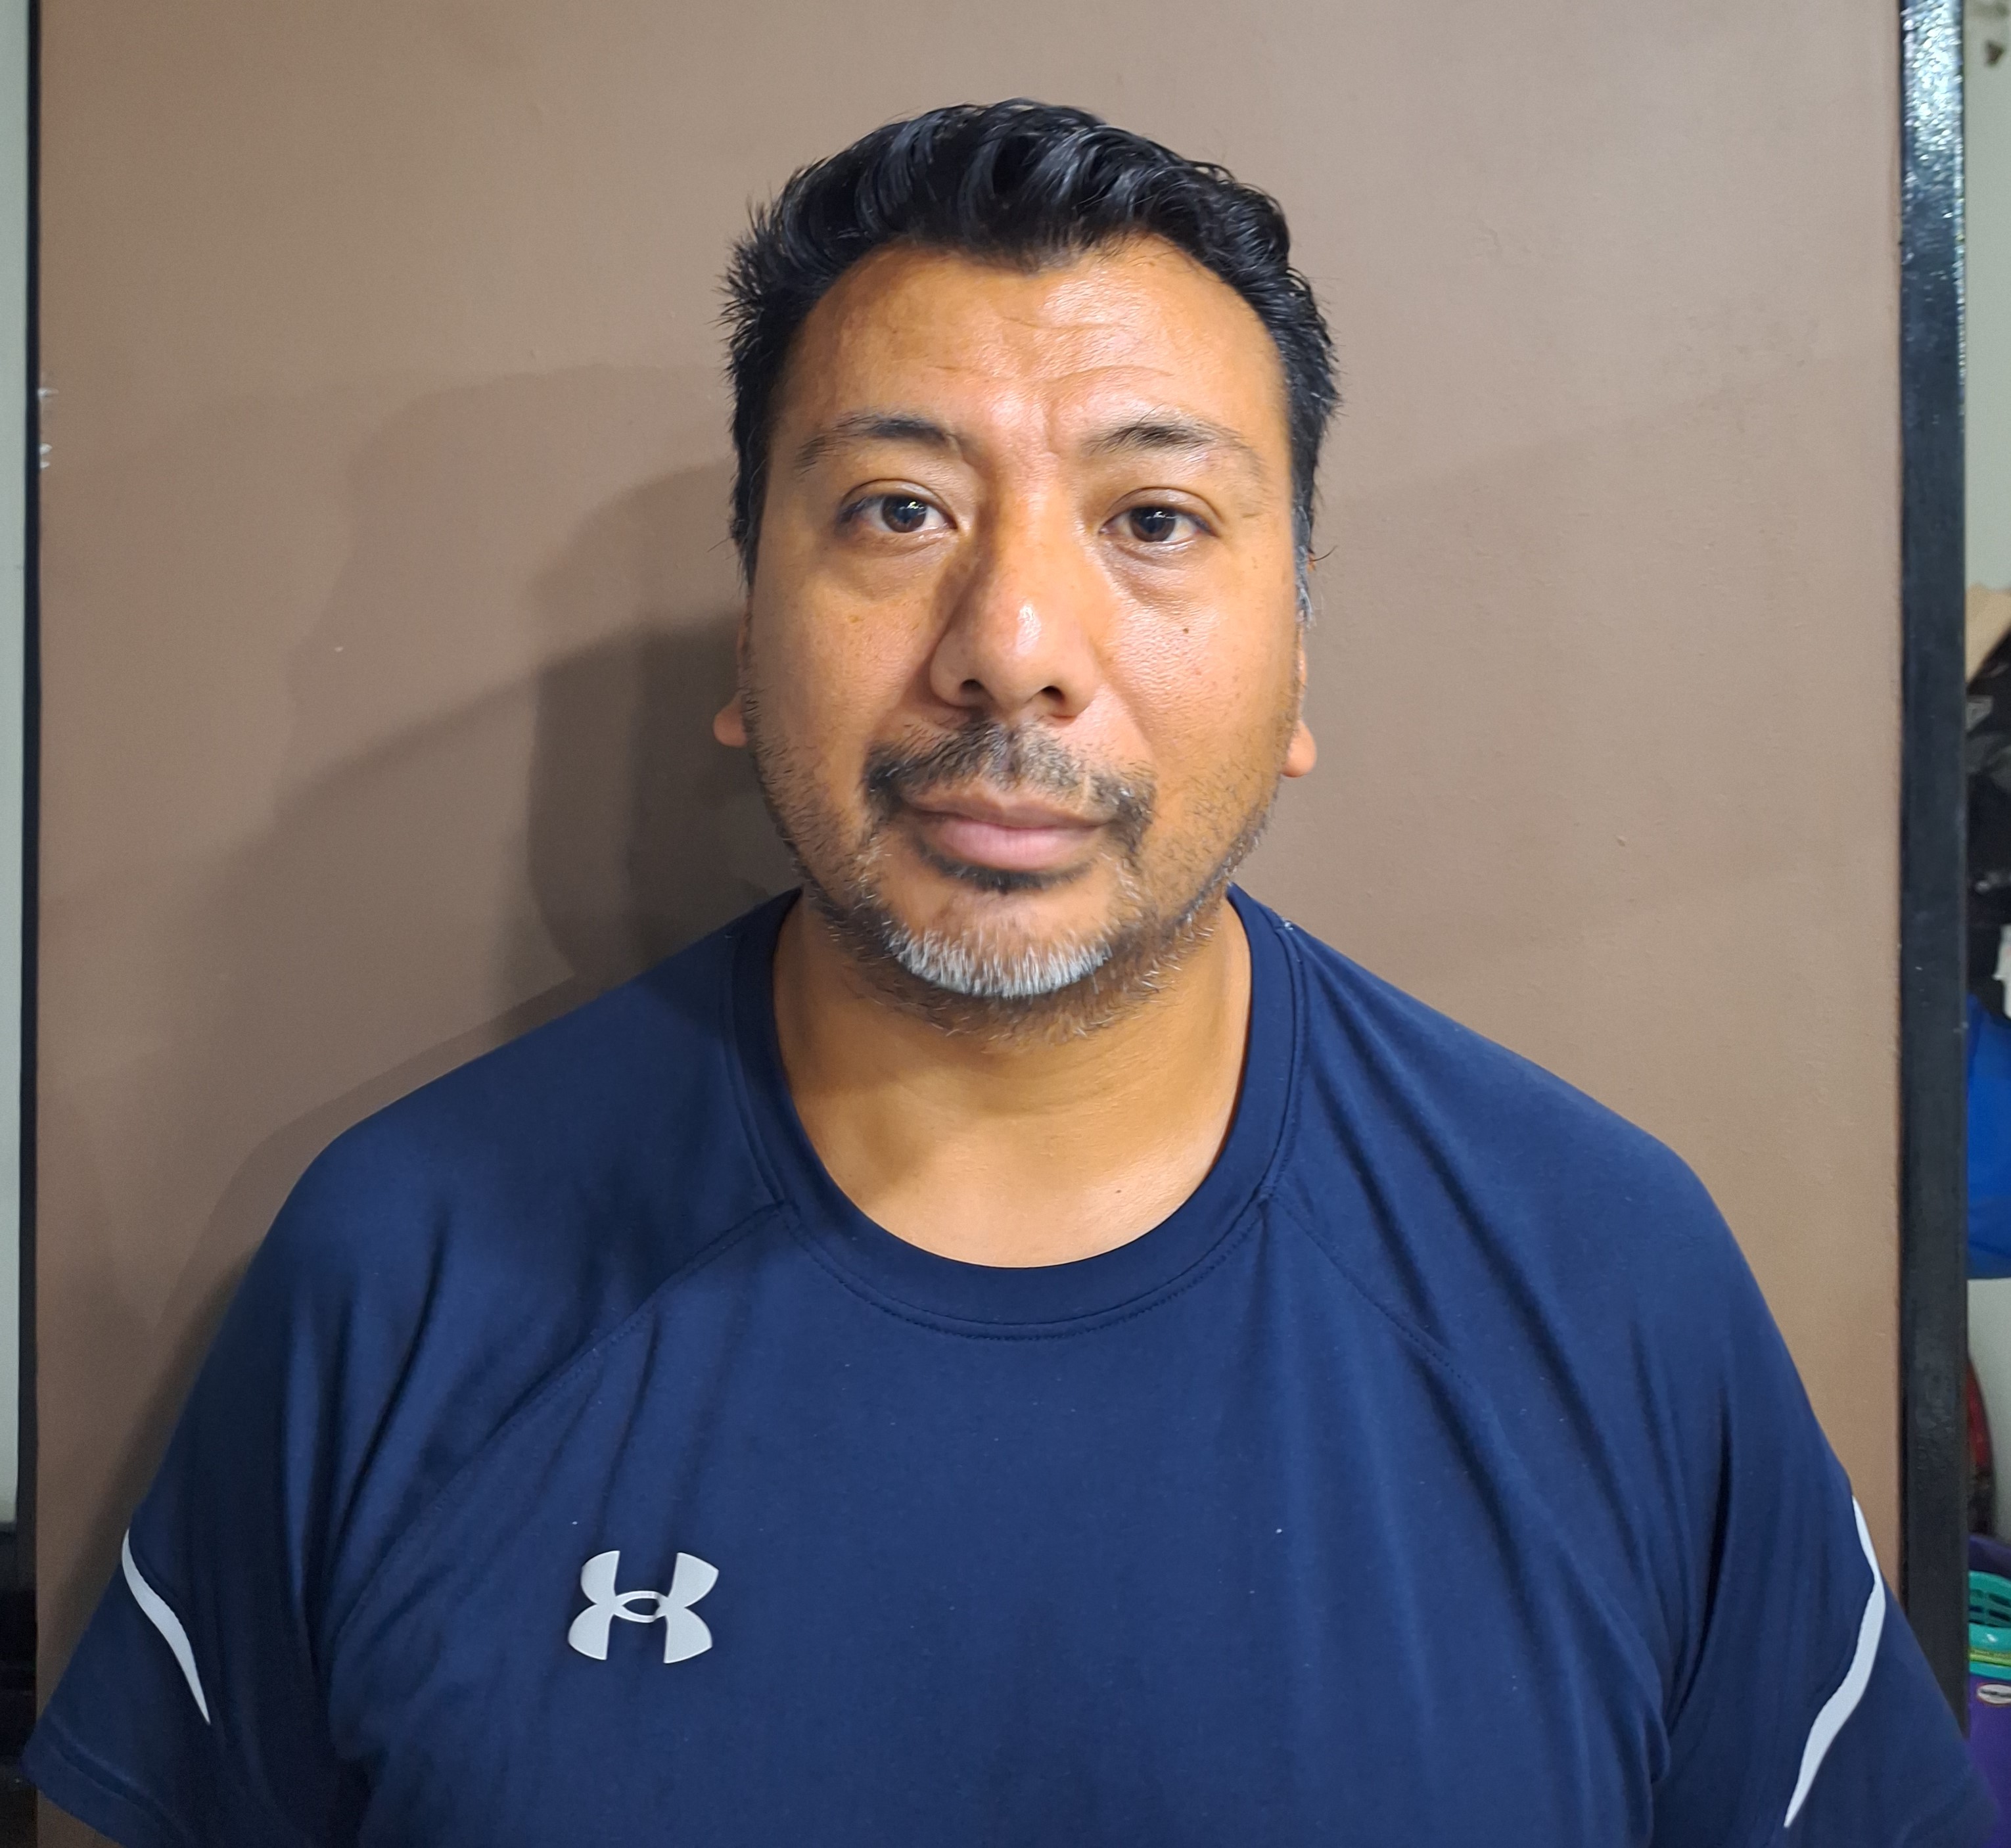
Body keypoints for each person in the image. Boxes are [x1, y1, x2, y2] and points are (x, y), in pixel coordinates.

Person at [24, 99, 1992, 1847]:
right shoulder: (403, 1266)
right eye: (900, 509)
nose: (1014, 643)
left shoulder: (1607, 1284)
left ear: (1298, 665)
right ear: (746, 634)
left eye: (1154, 518)